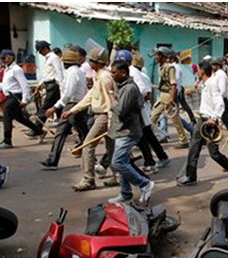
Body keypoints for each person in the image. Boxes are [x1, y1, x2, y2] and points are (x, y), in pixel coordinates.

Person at [177, 62, 228, 187]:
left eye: (197, 70)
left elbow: (220, 103)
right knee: (193, 147)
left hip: (209, 122)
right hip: (202, 120)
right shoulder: (205, 84)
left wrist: (215, 118)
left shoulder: (212, 84)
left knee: (214, 153)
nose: (196, 72)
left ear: (202, 71)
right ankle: (191, 176)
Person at [62, 47, 116, 192]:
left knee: (87, 145)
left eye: (91, 60)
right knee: (111, 148)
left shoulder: (105, 77)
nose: (89, 62)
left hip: (105, 116)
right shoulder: (98, 76)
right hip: (102, 115)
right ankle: (118, 177)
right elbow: (90, 97)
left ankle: (88, 179)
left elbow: (111, 101)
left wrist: (111, 122)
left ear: (97, 63)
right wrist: (72, 110)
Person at [106, 60, 154, 204]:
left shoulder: (130, 89)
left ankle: (144, 184)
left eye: (114, 73)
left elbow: (120, 110)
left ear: (124, 73)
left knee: (118, 163)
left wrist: (110, 95)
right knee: (123, 162)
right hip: (120, 131)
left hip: (128, 132)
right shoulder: (122, 86)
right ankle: (126, 193)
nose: (112, 75)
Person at [40, 48, 89, 170]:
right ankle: (52, 160)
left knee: (84, 134)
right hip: (72, 104)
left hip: (73, 105)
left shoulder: (73, 73)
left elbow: (68, 93)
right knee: (61, 132)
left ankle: (93, 160)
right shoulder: (75, 72)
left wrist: (55, 107)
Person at [0, 49, 45, 149]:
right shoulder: (6, 69)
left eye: (4, 58)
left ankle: (7, 140)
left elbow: (24, 85)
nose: (2, 60)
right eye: (1, 58)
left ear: (11, 58)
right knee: (19, 117)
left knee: (7, 117)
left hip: (15, 96)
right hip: (9, 96)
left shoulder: (16, 69)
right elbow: (4, 84)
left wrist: (25, 99)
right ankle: (39, 131)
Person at [132, 52, 171, 170]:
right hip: (142, 109)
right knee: (146, 135)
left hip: (139, 109)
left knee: (143, 135)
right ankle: (153, 159)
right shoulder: (140, 73)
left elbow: (143, 91)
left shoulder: (134, 72)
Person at [150, 47, 189, 149]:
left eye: (158, 55)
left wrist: (172, 99)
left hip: (168, 96)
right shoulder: (161, 67)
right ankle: (146, 138)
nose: (156, 57)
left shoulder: (170, 67)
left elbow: (173, 85)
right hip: (162, 95)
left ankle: (183, 140)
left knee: (175, 119)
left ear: (163, 56)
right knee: (153, 116)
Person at [32, 40, 64, 132]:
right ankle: (66, 128)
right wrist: (40, 85)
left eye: (41, 51)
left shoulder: (54, 58)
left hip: (53, 85)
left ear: (45, 48)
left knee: (44, 108)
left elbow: (59, 73)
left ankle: (36, 129)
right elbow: (47, 74)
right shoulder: (48, 59)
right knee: (59, 108)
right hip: (49, 85)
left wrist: (62, 88)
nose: (41, 53)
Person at [210, 57, 228, 135]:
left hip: (221, 100)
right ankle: (214, 135)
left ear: (218, 65)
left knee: (225, 120)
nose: (212, 66)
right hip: (215, 99)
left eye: (214, 65)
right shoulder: (214, 74)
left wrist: (218, 99)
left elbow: (222, 90)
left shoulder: (221, 75)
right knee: (214, 118)